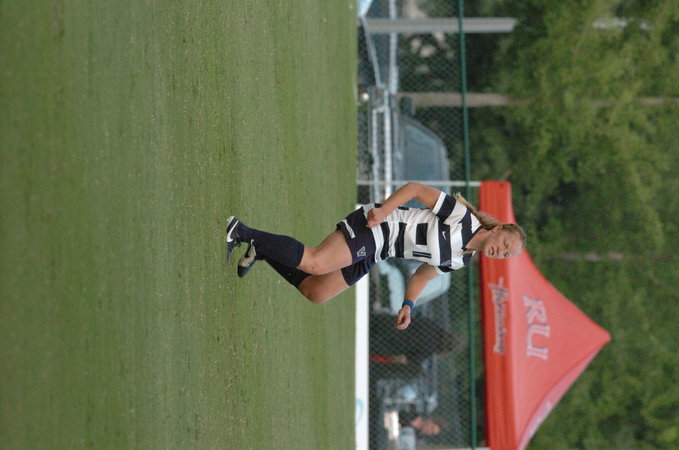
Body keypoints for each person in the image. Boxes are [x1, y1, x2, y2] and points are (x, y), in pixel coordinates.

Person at [226, 182, 525, 329]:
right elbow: (416, 189)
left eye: (505, 255)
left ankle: (262, 249)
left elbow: (421, 276)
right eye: (504, 244)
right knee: (316, 262)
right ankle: (240, 231)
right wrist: (384, 211)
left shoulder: (461, 260)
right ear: (498, 228)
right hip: (379, 226)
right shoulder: (463, 218)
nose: (500, 252)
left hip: (378, 251)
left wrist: (408, 304)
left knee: (316, 291)